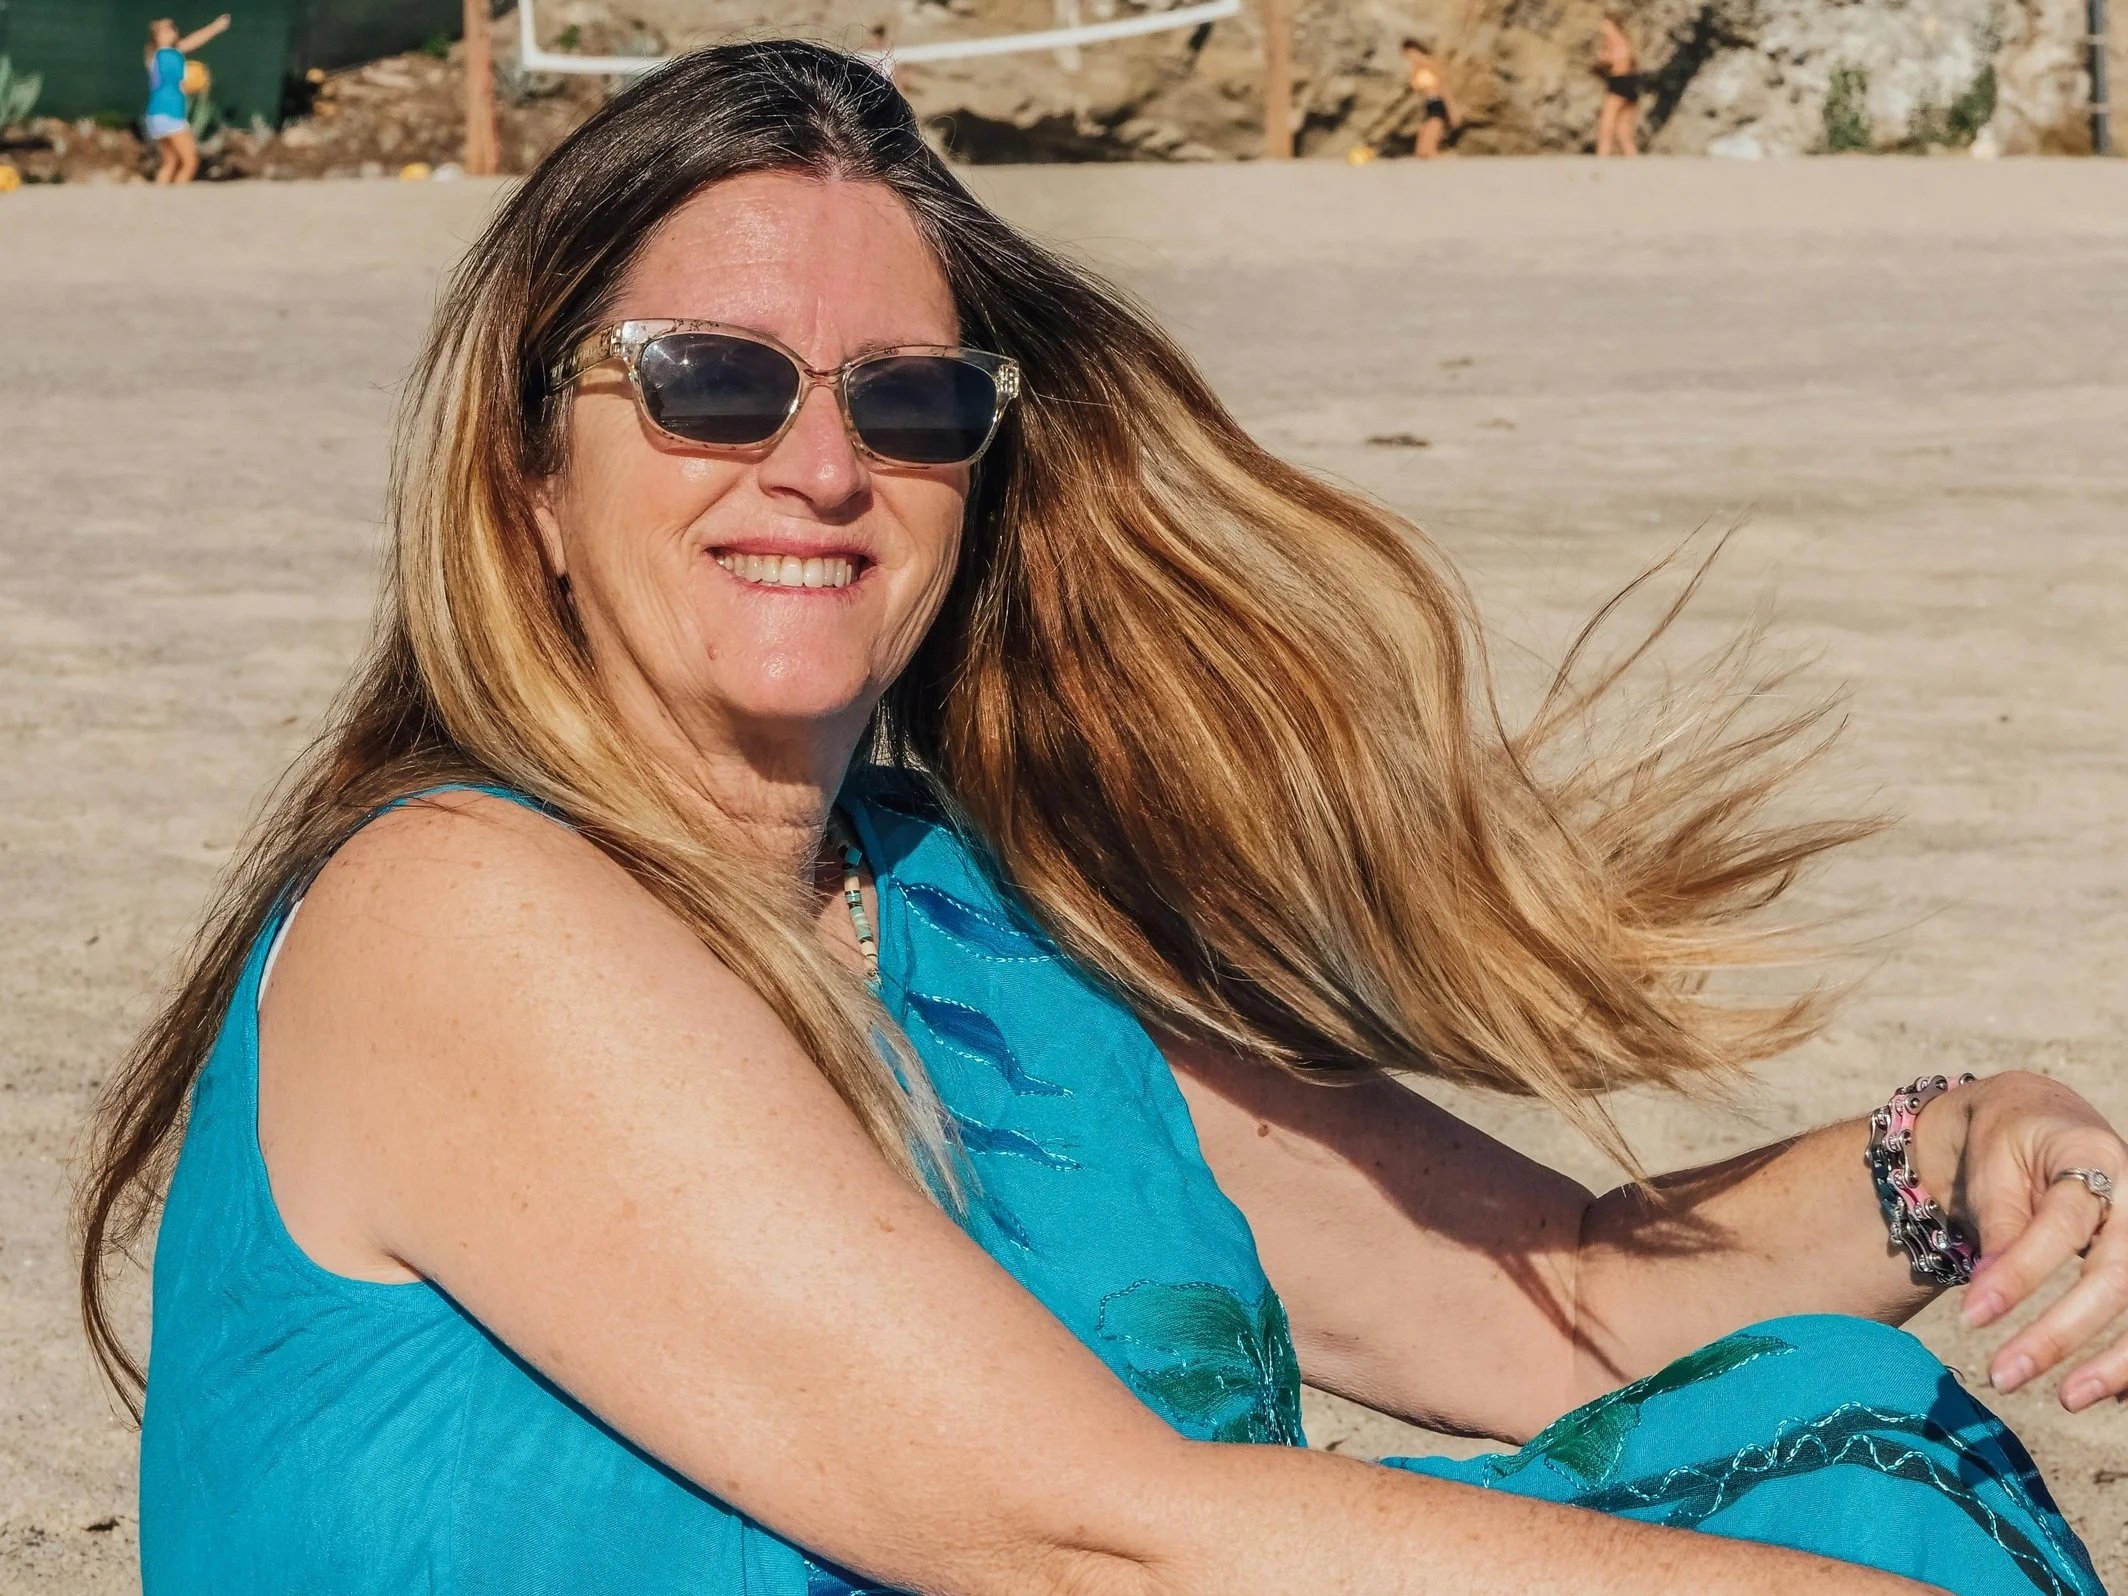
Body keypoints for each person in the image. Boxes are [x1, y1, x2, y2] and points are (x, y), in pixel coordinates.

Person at [78, 39, 2122, 1596]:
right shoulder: (460, 911)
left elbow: (1577, 1306)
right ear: (525, 471)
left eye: (908, 401)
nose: (816, 468)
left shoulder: (969, 935)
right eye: (709, 384)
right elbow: (1083, 1542)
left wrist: (1955, 1156)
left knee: (1838, 1418)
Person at [142, 13, 229, 184]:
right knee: (190, 161)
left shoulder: (157, 55)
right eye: (165, 31)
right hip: (170, 112)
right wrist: (196, 82)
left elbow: (194, 40)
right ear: (157, 37)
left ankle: (158, 199)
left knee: (170, 162)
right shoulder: (167, 56)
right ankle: (176, 199)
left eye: (171, 29)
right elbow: (181, 82)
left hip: (155, 114)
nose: (170, 32)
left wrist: (215, 27)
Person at [1399, 35, 1459, 158]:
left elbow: (1443, 86)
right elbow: (1419, 87)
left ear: (1414, 51)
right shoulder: (1416, 67)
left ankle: (1431, 152)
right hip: (1428, 102)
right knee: (1425, 128)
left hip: (1438, 100)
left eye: (1409, 54)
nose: (1409, 58)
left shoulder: (1429, 63)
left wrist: (1452, 108)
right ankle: (1423, 153)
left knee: (1434, 125)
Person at [1595, 12, 1642, 157]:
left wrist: (1604, 58)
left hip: (1619, 82)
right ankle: (1631, 155)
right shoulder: (1627, 40)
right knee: (1623, 126)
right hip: (1631, 82)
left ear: (1612, 25)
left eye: (1605, 24)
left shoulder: (1615, 40)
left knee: (1606, 122)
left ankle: (1603, 154)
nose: (1602, 28)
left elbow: (1617, 59)